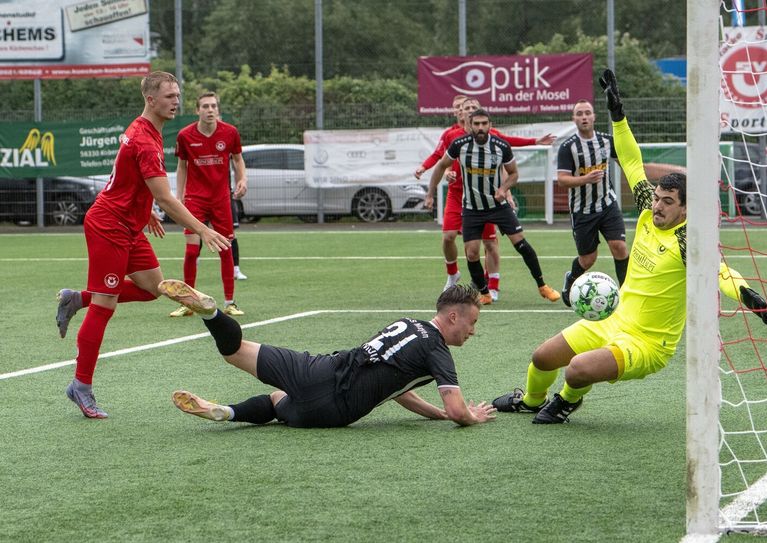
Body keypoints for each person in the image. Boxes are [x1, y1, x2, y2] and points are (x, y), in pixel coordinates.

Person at [491, 69, 767, 424]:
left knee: (576, 370)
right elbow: (630, 161)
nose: (657, 206)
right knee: (542, 357)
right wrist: (618, 115)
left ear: (686, 208)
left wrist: (745, 293)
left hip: (647, 343)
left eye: (667, 201)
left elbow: (719, 271)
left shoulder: (689, 240)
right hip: (613, 320)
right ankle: (532, 400)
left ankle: (566, 401)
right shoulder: (647, 212)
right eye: (657, 198)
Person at [55, 71, 231, 419]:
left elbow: (125, 176)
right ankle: (81, 385)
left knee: (153, 288)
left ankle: (78, 298)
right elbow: (166, 198)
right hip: (108, 226)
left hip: (129, 225)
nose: (176, 101)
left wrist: (142, 208)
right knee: (105, 305)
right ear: (151, 99)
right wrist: (202, 229)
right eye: (169, 96)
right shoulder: (145, 140)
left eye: (177, 95)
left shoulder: (144, 130)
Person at [158, 279, 497, 428]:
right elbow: (457, 411)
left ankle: (211, 314)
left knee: (235, 351)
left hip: (317, 369)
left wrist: (435, 414)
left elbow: (397, 388)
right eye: (472, 322)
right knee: (277, 401)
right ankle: (228, 413)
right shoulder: (437, 350)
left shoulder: (406, 323)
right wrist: (471, 417)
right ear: (454, 317)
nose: (473, 331)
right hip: (332, 410)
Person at [417, 97, 554, 302]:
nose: (480, 127)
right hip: (470, 206)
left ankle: (541, 285)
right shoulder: (457, 142)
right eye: (476, 123)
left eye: (484, 123)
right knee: (469, 251)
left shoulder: (499, 144)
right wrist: (431, 191)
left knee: (517, 244)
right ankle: (482, 291)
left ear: (490, 124)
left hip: (496, 205)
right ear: (468, 123)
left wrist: (505, 189)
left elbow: (513, 172)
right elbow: (440, 163)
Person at [557, 99, 683, 306]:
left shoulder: (607, 141)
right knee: (588, 259)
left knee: (620, 248)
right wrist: (586, 179)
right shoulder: (567, 147)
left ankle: (626, 295)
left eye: (587, 113)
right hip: (583, 210)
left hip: (608, 205)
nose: (584, 117)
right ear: (574, 119)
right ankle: (571, 278)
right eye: (579, 114)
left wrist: (668, 174)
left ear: (594, 116)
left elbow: (630, 163)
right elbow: (562, 179)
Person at [168, 92, 248, 318]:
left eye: (213, 106)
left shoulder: (230, 132)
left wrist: (243, 179)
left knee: (225, 249)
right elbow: (182, 166)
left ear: (218, 109)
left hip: (221, 199)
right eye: (205, 106)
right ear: (197, 110)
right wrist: (179, 196)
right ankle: (188, 303)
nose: (210, 110)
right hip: (195, 199)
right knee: (192, 250)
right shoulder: (185, 135)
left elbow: (238, 160)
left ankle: (230, 303)